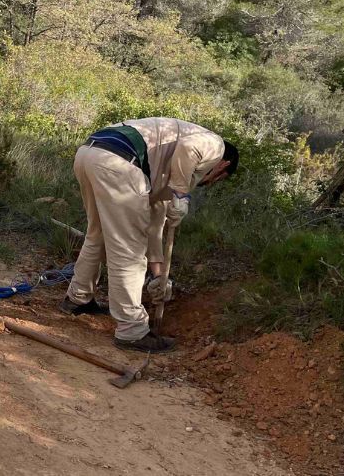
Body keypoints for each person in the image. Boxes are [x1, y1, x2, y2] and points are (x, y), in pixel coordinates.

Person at [60, 117, 238, 353]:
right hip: (120, 165)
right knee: (128, 251)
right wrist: (181, 194)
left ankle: (77, 298)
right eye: (216, 179)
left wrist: (158, 276)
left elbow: (154, 228)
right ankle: (132, 331)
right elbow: (189, 149)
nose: (208, 181)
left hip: (90, 154)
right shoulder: (216, 145)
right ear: (223, 166)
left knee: (98, 235)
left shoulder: (164, 163)